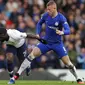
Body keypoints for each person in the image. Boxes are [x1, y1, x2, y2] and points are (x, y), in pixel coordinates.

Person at [9, 0, 84, 84]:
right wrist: (37, 33)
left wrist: (62, 32)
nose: (48, 11)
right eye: (47, 9)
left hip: (57, 44)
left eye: (49, 10)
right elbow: (39, 24)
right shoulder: (45, 15)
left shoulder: (61, 18)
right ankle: (15, 77)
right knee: (31, 55)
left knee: (68, 64)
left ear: (54, 8)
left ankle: (78, 79)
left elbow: (68, 30)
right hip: (46, 42)